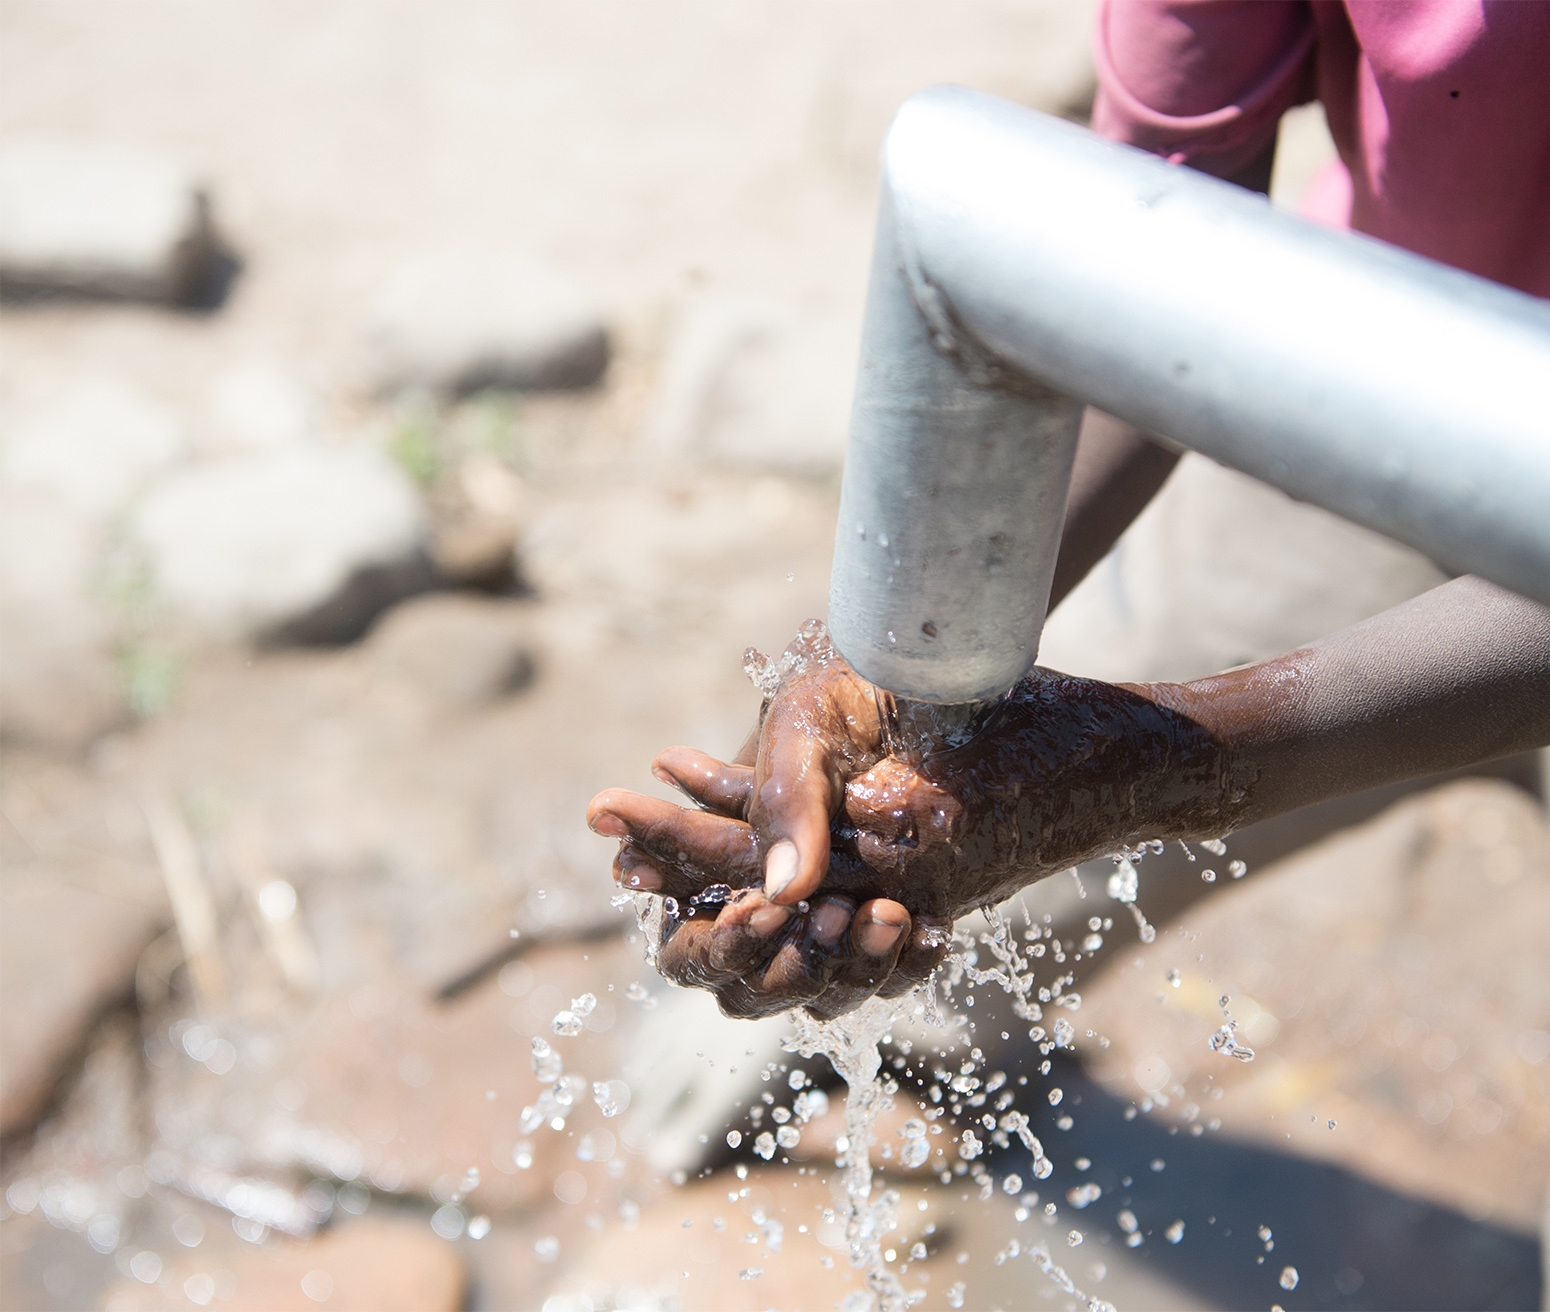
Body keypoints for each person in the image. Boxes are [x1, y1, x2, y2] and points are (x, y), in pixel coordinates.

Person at [587, 0, 1550, 1020]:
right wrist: (880, 657)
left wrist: (1162, 766)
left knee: (1015, 807)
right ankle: (836, 1078)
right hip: (1384, 390)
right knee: (917, 873)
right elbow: (1165, 231)